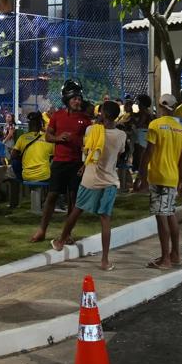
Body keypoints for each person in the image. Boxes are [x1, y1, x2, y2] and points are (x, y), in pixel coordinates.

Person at [51, 101, 127, 270]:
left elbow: (87, 150)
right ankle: (105, 261)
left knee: (77, 210)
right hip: (109, 180)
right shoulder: (121, 135)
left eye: (100, 113)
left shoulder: (91, 130)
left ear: (104, 115)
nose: (97, 114)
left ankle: (61, 241)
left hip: (90, 178)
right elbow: (120, 152)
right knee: (105, 219)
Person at [30, 80, 91, 243]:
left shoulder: (85, 119)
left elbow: (91, 142)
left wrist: (86, 163)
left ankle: (67, 233)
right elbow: (48, 136)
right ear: (67, 99)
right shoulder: (57, 116)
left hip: (77, 163)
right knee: (52, 196)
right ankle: (42, 230)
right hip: (59, 162)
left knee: (73, 197)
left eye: (79, 98)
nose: (78, 101)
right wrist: (58, 138)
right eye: (74, 98)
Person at [138, 94, 182, 269]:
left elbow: (148, 153)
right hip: (172, 177)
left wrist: (141, 177)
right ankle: (174, 254)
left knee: (161, 218)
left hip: (159, 176)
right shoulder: (180, 128)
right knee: (170, 214)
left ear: (160, 106)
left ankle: (166, 258)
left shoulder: (155, 125)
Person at [13, 111, 53, 199]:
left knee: (15, 162)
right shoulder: (48, 139)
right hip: (44, 175)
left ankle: (19, 184)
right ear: (40, 125)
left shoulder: (22, 138)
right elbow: (54, 156)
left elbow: (13, 155)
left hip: (26, 175)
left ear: (29, 125)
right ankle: (56, 203)